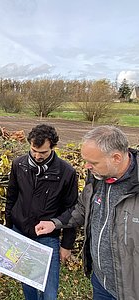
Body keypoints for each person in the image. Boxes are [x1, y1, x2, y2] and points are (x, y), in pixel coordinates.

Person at [35, 125, 139, 300]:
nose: (86, 166)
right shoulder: (98, 178)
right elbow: (82, 210)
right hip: (100, 283)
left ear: (116, 158)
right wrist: (55, 223)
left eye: (93, 162)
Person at [5, 124, 78, 300]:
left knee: (49, 291)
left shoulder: (66, 172)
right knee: (27, 282)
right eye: (33, 150)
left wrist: (67, 245)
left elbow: (72, 210)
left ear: (52, 147)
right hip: (20, 232)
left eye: (43, 152)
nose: (37, 156)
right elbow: (11, 197)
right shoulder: (18, 164)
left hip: (48, 238)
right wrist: (9, 230)